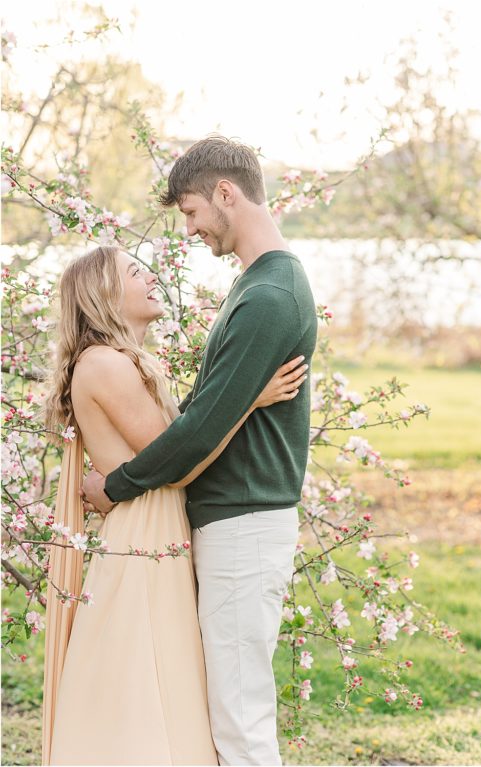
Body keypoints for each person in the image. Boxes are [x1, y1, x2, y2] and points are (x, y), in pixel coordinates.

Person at [82, 136, 319, 765]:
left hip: (245, 520)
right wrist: (238, 402)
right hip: (232, 520)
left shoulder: (268, 297)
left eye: (190, 212)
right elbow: (202, 411)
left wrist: (119, 485)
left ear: (225, 194)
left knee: (240, 721)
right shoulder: (258, 285)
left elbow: (196, 433)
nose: (188, 229)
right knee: (230, 711)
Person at [42, 246, 305, 764]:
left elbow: (178, 439)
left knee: (162, 681)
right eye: (134, 273)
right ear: (104, 295)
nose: (151, 277)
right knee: (141, 688)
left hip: (158, 531)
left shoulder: (124, 364)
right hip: (142, 539)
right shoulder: (104, 365)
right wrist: (248, 398)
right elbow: (181, 458)